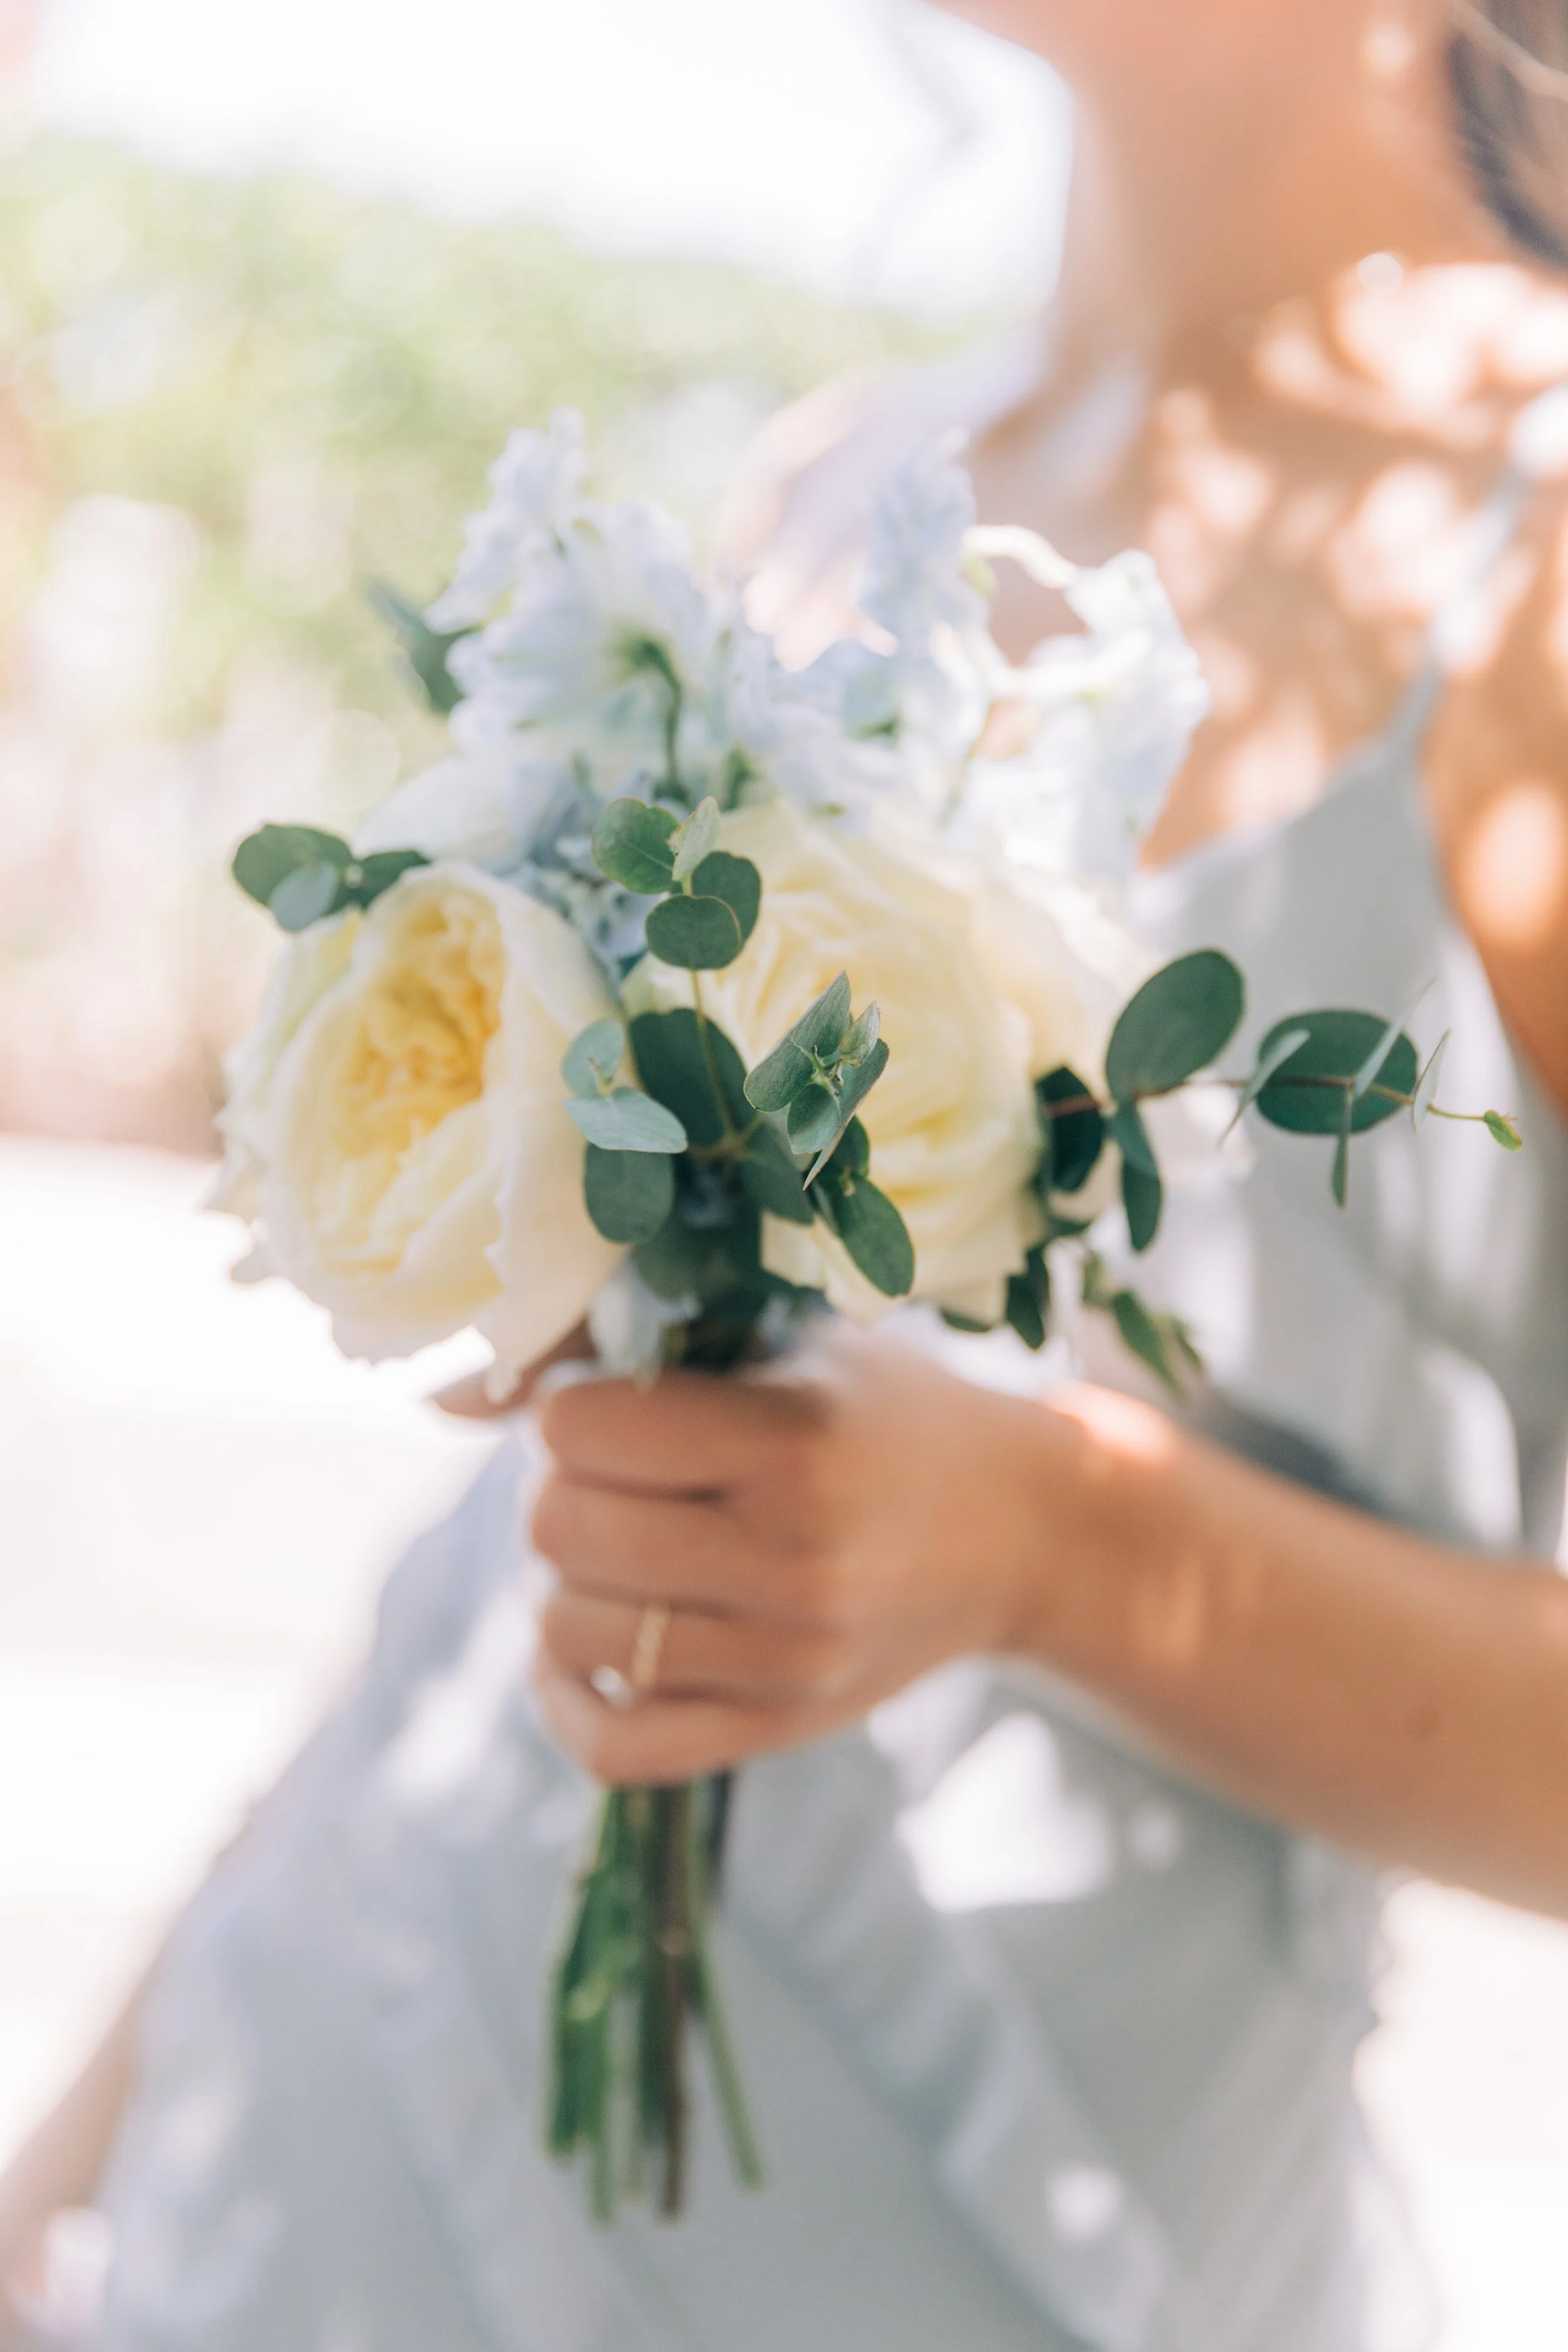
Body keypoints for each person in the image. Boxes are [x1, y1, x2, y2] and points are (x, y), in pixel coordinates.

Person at [8, 1, 1568, 2344]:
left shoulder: (1532, 579)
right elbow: (513, 1538)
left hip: (973, 2239)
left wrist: (1060, 1542)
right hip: (329, 2145)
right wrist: (79, 2158)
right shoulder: (845, 484)